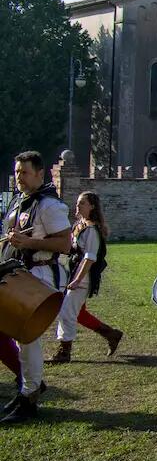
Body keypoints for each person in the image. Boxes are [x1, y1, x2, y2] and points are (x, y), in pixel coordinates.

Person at [1, 151, 71, 423]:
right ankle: (28, 387)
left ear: (40, 173)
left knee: (27, 339)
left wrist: (28, 243)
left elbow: (64, 244)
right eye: (17, 172)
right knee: (11, 333)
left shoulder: (49, 205)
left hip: (40, 276)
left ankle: (29, 397)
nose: (19, 177)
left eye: (24, 172)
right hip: (21, 273)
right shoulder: (22, 202)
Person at [47, 191, 123, 365]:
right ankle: (112, 334)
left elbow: (90, 258)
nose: (78, 205)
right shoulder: (79, 225)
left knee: (67, 313)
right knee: (79, 314)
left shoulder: (91, 230)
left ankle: (64, 352)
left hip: (83, 277)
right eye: (78, 203)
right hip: (72, 274)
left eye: (82, 203)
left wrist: (77, 280)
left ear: (92, 206)